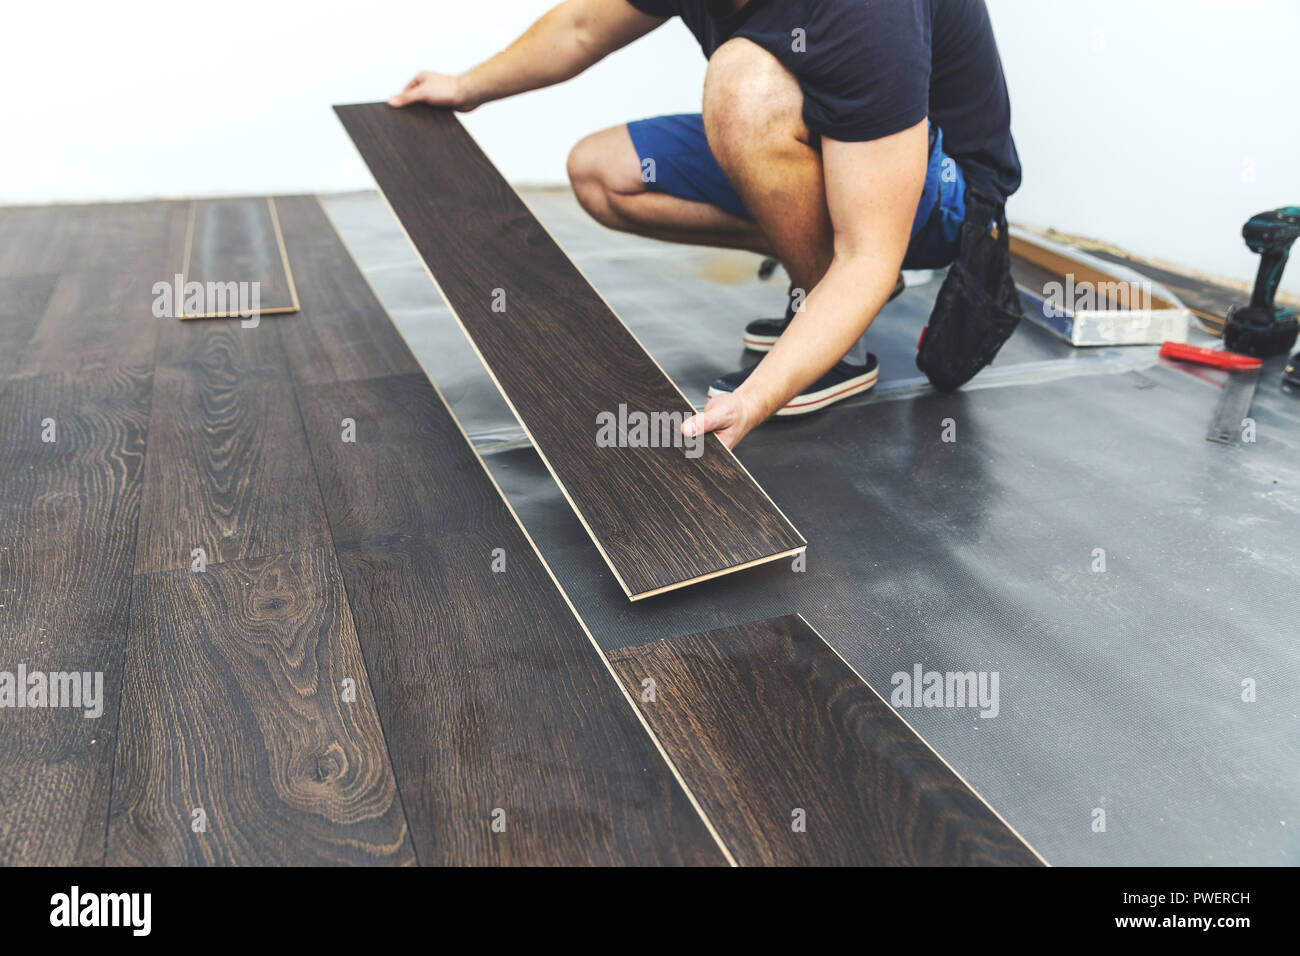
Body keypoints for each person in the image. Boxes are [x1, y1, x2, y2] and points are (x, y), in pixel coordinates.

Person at [390, 0, 1021, 448]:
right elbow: (582, 26)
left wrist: (757, 397)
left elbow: (867, 256)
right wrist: (466, 87)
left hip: (946, 197)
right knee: (601, 172)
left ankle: (838, 350)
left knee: (741, 85)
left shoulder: (864, 12)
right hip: (832, 148)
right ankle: (825, 296)